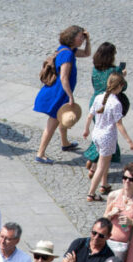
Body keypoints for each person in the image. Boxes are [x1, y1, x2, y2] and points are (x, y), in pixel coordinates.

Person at [33, 26, 90, 162]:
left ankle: (65, 143)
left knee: (62, 117)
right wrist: (70, 96)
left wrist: (88, 40)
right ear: (72, 38)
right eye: (80, 37)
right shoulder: (67, 54)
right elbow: (64, 78)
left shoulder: (68, 50)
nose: (82, 39)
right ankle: (40, 154)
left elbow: (87, 53)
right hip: (58, 94)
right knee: (52, 123)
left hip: (59, 92)